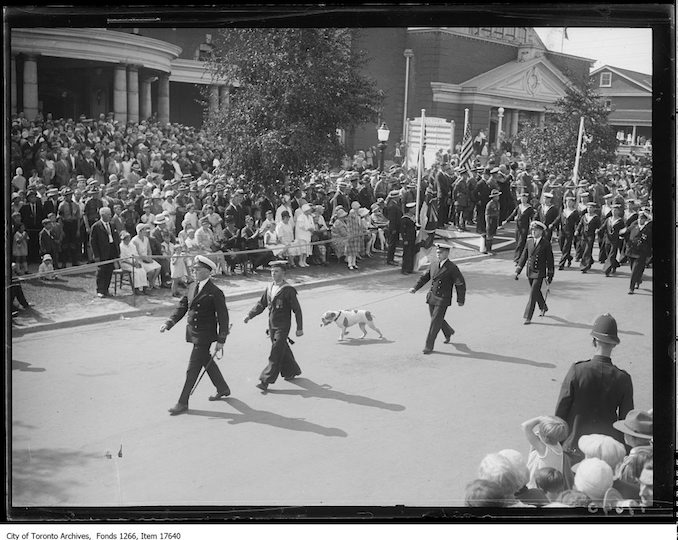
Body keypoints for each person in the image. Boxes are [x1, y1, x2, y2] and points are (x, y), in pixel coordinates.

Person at [555, 313, 634, 464]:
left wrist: (556, 441)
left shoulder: (577, 370)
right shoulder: (623, 378)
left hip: (574, 447)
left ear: (594, 341)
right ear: (614, 344)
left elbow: (561, 410)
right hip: (606, 449)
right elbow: (625, 421)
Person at [160, 255, 232, 416]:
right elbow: (183, 307)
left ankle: (182, 402)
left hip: (205, 336)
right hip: (193, 332)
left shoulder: (215, 292)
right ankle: (222, 388)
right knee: (205, 360)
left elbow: (223, 317)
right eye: (193, 269)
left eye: (197, 269)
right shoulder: (192, 286)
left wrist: (221, 340)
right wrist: (169, 322)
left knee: (192, 369)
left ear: (207, 272)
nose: (194, 272)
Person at [244, 260, 303, 391]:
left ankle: (265, 380)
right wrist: (250, 315)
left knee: (275, 351)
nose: (273, 274)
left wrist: (299, 328)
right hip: (272, 325)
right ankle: (291, 371)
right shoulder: (269, 288)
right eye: (271, 271)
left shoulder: (288, 290)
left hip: (283, 326)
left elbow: (297, 310)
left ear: (283, 273)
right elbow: (261, 304)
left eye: (276, 271)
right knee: (282, 348)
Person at [409, 243, 466, 355]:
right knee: (436, 319)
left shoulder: (452, 267)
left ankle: (428, 346)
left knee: (435, 322)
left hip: (443, 298)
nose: (438, 254)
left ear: (447, 253)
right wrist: (415, 288)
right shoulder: (434, 264)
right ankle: (448, 331)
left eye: (441, 253)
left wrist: (460, 299)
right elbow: (425, 277)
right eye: (437, 252)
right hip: (432, 296)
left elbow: (460, 283)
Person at [514, 221, 554, 324]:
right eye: (532, 230)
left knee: (532, 294)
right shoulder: (529, 242)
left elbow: (550, 260)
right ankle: (543, 307)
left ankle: (528, 317)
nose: (533, 232)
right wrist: (518, 270)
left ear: (541, 232)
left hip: (539, 273)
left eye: (535, 230)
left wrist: (550, 274)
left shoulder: (546, 244)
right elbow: (524, 256)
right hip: (530, 271)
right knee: (536, 292)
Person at [521, 415, 568, 488]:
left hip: (534, 486)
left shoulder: (543, 449)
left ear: (544, 436)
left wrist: (540, 418)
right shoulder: (558, 446)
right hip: (549, 486)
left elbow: (525, 426)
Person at [89, 206, 121, 298]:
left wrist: (116, 251)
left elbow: (115, 237)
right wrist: (96, 255)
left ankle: (106, 290)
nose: (110, 216)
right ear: (103, 215)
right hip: (102, 251)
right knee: (101, 272)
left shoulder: (112, 224)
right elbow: (93, 242)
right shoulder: (96, 226)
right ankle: (100, 290)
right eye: (108, 214)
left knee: (109, 271)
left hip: (111, 250)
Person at [621, 209, 652, 294]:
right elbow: (626, 233)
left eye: (642, 218)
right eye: (639, 218)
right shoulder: (634, 225)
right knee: (633, 269)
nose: (640, 220)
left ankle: (631, 288)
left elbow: (651, 241)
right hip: (631, 250)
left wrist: (649, 252)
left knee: (635, 270)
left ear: (645, 220)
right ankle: (638, 280)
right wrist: (626, 241)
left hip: (641, 253)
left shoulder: (648, 228)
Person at [503, 190, 534, 265]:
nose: (523, 199)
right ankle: (520, 257)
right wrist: (506, 221)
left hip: (524, 227)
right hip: (518, 227)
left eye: (525, 198)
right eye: (522, 198)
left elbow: (532, 217)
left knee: (521, 242)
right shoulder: (519, 207)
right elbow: (513, 214)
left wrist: (532, 225)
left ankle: (518, 259)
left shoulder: (529, 208)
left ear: (527, 199)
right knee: (517, 242)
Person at [118, 230, 149, 295]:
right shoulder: (121, 247)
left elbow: (136, 254)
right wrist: (132, 264)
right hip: (125, 263)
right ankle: (136, 289)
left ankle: (144, 287)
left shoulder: (132, 245)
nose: (128, 240)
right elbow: (123, 259)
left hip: (134, 262)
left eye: (129, 238)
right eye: (126, 238)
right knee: (135, 272)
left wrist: (137, 262)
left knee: (142, 270)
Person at [557, 192, 580, 270]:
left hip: (570, 232)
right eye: (567, 202)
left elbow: (578, 223)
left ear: (573, 203)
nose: (568, 203)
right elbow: (558, 219)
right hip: (562, 231)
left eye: (570, 202)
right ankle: (569, 257)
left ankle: (561, 264)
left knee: (566, 247)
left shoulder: (575, 212)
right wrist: (552, 225)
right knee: (561, 245)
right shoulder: (563, 210)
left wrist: (577, 230)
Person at [400, 202, 417, 274]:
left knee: (411, 253)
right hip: (407, 238)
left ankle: (410, 268)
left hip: (412, 238)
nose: (415, 209)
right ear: (410, 209)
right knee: (407, 254)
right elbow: (403, 230)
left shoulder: (413, 216)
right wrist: (405, 239)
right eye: (414, 208)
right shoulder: (405, 218)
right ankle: (404, 269)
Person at [483, 189, 501, 254]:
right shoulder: (490, 204)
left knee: (492, 235)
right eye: (497, 196)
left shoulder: (497, 203)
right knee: (489, 235)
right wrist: (487, 223)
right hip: (490, 219)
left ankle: (489, 249)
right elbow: (487, 214)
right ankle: (488, 249)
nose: (498, 197)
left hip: (495, 219)